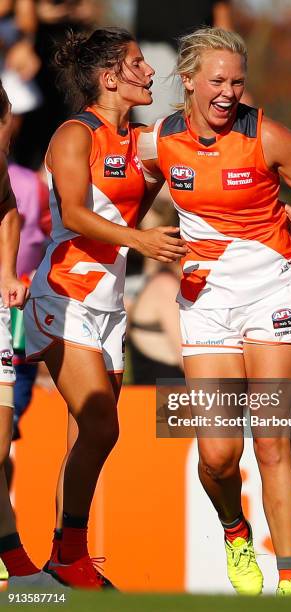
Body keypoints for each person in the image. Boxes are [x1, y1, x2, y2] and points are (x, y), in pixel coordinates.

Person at [137, 26, 291, 596]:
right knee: (217, 454)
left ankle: (290, 582)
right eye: (216, 81)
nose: (228, 92)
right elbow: (119, 197)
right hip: (206, 303)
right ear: (187, 81)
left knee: (270, 442)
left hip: (274, 298)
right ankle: (235, 531)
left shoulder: (269, 137)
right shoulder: (159, 140)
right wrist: (134, 240)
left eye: (238, 82)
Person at [22, 27, 187, 589]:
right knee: (101, 424)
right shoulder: (75, 134)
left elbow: (200, 173)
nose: (149, 73)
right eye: (138, 64)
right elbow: (72, 211)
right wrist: (143, 241)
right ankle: (69, 556)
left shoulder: (140, 140)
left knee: (86, 435)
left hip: (110, 305)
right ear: (109, 77)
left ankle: (62, 563)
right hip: (63, 297)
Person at [0, 80, 60, 588]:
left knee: (0, 446)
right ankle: (18, 568)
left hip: (3, 317)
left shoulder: (6, 169)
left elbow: (9, 214)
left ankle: (15, 568)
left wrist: (4, 275)